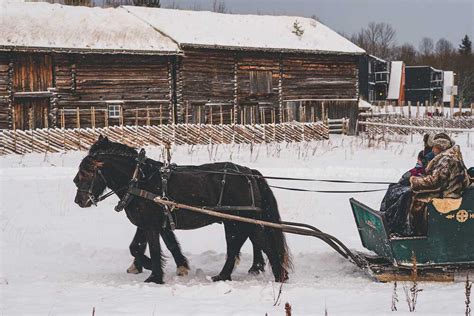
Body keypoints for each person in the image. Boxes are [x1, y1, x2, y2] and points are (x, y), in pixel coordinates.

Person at [409, 135, 470, 235]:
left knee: (416, 200)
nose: (432, 149)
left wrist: (414, 181)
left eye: (435, 147)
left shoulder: (447, 160)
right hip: (446, 191)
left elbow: (436, 183)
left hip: (448, 195)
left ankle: (418, 233)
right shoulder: (449, 157)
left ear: (441, 147)